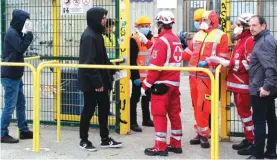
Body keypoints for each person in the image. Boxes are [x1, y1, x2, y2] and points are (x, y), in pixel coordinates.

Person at [207, 13, 255, 155]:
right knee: (242, 114)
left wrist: (227, 63)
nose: (235, 27)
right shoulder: (241, 40)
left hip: (243, 85)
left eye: (239, 25)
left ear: (246, 27)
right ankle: (248, 138)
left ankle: (252, 141)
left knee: (246, 115)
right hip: (237, 84)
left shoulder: (249, 41)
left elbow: (249, 64)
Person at [182, 10, 229, 148]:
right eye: (201, 19)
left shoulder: (221, 36)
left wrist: (208, 62)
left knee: (203, 106)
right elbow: (189, 52)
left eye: (205, 19)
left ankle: (204, 135)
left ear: (213, 21)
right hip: (193, 76)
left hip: (207, 77)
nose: (202, 22)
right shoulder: (198, 34)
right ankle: (200, 132)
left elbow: (223, 57)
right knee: (195, 105)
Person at [78, 7, 123, 152]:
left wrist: (113, 69)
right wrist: (98, 83)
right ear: (95, 19)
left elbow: (102, 59)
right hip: (92, 83)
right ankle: (83, 140)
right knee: (89, 111)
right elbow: (89, 63)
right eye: (103, 18)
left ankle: (105, 139)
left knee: (104, 109)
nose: (105, 21)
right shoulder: (88, 36)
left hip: (101, 81)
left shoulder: (97, 34)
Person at [141, 10, 183, 156]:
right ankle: (176, 143)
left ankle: (160, 146)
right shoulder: (176, 39)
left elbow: (155, 67)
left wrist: (145, 85)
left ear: (160, 24)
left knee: (159, 114)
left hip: (162, 84)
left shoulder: (162, 41)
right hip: (175, 83)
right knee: (174, 114)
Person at [1, 9, 34, 143]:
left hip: (15, 74)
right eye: (25, 21)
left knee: (21, 103)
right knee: (10, 106)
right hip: (10, 75)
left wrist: (26, 33)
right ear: (20, 21)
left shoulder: (16, 32)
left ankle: (23, 130)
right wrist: (29, 35)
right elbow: (20, 48)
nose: (27, 23)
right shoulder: (12, 33)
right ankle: (2, 133)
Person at [247, 15, 277, 159]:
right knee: (271, 119)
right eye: (250, 25)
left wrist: (266, 87)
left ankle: (257, 154)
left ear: (263, 26)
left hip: (261, 88)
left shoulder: (264, 42)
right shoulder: (264, 39)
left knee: (259, 121)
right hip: (265, 86)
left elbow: (270, 68)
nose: (251, 28)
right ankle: (271, 151)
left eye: (255, 25)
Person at [130, 16, 154, 132]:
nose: (145, 28)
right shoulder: (134, 39)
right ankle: (132, 122)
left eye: (147, 26)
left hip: (148, 76)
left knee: (147, 97)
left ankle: (146, 119)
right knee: (135, 98)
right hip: (138, 76)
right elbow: (132, 60)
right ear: (138, 27)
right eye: (143, 26)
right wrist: (135, 76)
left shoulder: (151, 39)